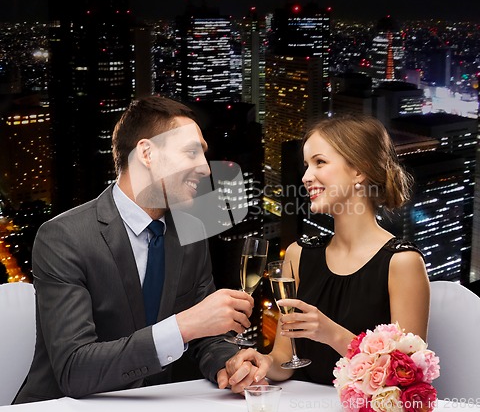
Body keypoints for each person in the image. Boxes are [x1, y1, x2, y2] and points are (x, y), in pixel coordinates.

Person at [14, 96, 261, 404]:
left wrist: (229, 362)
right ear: (146, 153)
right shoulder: (63, 237)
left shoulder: (192, 230)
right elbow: (74, 369)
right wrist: (182, 326)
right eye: (191, 152)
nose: (205, 169)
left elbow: (205, 339)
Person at [224, 114, 431, 386]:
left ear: (359, 170)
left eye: (319, 162)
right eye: (307, 165)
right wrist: (262, 363)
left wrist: (329, 332)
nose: (306, 176)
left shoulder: (402, 263)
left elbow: (405, 377)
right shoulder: (298, 254)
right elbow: (285, 359)